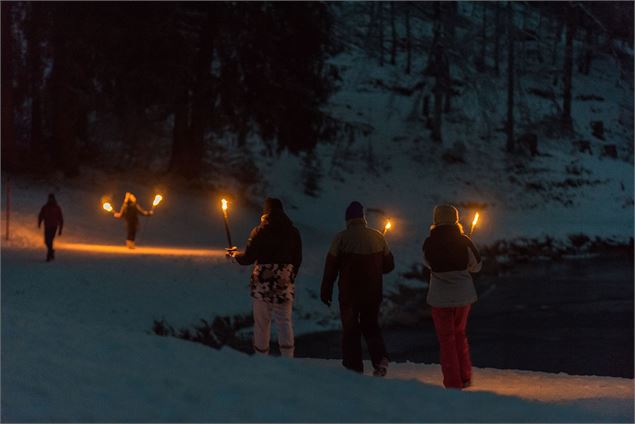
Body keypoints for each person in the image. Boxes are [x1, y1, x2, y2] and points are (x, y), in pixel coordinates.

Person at [320, 201, 394, 376]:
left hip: (349, 294)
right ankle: (380, 361)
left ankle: (354, 369)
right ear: (363, 218)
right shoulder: (378, 237)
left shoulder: (341, 238)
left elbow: (331, 268)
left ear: (348, 219)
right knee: (371, 326)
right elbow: (389, 266)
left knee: (350, 329)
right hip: (373, 293)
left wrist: (326, 290)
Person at [229, 197, 302, 358]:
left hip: (262, 283)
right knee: (284, 321)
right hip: (284, 281)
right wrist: (289, 276)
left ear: (266, 212)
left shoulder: (259, 231)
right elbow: (297, 258)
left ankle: (262, 358)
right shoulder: (293, 232)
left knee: (262, 323)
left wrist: (235, 255)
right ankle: (288, 358)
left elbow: (248, 258)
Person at [422, 204, 482, 389]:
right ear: (456, 219)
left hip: (440, 298)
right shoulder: (464, 241)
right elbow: (477, 266)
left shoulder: (429, 243)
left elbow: (428, 264)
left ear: (436, 219)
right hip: (463, 297)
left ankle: (452, 383)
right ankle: (465, 376)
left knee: (446, 340)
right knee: (460, 335)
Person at [38, 193, 64, 262]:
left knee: (50, 240)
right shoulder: (45, 207)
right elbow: (41, 215)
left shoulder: (57, 208)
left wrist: (60, 229)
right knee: (46, 241)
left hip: (54, 226)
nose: (50, 200)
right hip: (47, 226)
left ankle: (49, 256)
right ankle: (51, 251)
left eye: (51, 198)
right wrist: (39, 223)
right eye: (49, 198)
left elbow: (60, 218)